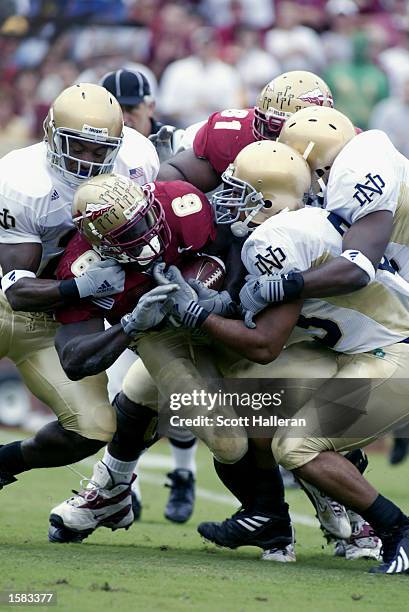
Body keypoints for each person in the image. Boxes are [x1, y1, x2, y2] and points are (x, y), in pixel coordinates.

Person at [155, 142, 409, 574]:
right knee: (251, 399)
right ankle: (268, 514)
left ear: (268, 201)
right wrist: (217, 306)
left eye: (240, 192)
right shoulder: (299, 227)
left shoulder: (276, 238)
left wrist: (199, 317)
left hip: (391, 357)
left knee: (298, 446)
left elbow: (265, 343)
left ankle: (395, 530)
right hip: (353, 352)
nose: (226, 200)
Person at [0, 83, 159, 510]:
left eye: (98, 149)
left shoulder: (139, 159)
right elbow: (16, 290)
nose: (87, 161)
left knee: (92, 428)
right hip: (15, 298)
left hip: (55, 320)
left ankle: (2, 464)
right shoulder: (20, 181)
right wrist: (81, 286)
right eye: (77, 147)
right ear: (52, 134)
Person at [100, 67, 204, 522]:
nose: (122, 118)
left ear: (149, 108)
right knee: (119, 395)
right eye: (114, 109)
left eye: (129, 109)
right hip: (119, 287)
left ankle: (183, 472)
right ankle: (124, 484)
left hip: (172, 280)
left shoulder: (176, 148)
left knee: (176, 392)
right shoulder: (95, 152)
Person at [157, 70, 334, 193]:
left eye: (284, 132)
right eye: (270, 128)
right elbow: (171, 176)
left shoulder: (339, 149)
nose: (274, 140)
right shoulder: (234, 134)